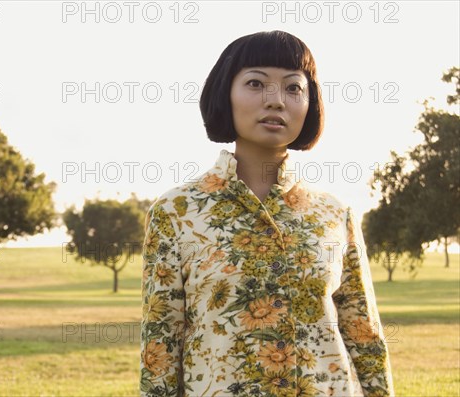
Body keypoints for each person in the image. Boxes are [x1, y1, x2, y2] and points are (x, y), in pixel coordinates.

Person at [139, 30, 394, 397]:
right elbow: (160, 344)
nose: (276, 101)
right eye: (256, 83)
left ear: (311, 104)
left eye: (293, 88)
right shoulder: (177, 212)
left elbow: (364, 336)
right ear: (225, 93)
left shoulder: (335, 214)